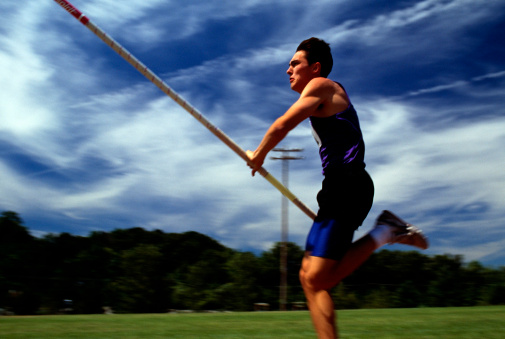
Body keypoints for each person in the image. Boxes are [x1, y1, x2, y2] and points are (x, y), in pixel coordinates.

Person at [246, 37, 428, 339]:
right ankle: (385, 231)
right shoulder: (322, 93)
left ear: (315, 67)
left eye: (295, 64)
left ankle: (386, 232)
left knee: (317, 279)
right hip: (336, 188)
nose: (287, 69)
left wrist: (260, 153)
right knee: (309, 278)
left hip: (349, 184)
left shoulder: (322, 86)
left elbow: (282, 125)